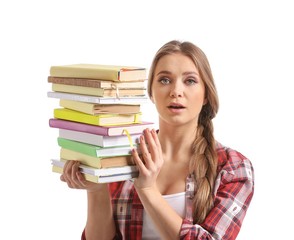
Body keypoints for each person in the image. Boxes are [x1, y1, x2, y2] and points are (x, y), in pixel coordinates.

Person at [61, 40, 254, 239]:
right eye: (164, 80)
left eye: (190, 81)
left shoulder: (234, 168)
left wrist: (147, 189)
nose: (176, 91)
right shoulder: (121, 153)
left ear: (206, 94)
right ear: (151, 92)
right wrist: (97, 190)